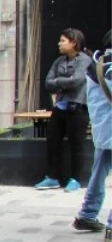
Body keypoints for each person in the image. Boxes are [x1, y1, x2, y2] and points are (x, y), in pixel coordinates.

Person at [38, 29, 94, 192]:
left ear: (73, 42)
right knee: (52, 142)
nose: (59, 44)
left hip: (77, 108)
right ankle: (52, 177)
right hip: (60, 107)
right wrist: (64, 82)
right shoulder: (59, 61)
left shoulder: (85, 60)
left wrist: (58, 81)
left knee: (76, 145)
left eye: (63, 41)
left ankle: (75, 179)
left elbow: (77, 80)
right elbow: (48, 82)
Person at [75, 29, 112, 242]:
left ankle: (87, 214)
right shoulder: (110, 68)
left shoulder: (96, 64)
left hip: (102, 129)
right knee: (99, 171)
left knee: (99, 172)